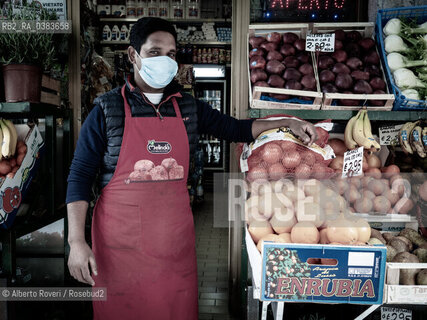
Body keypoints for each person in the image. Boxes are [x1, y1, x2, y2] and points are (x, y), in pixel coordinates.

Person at [66, 17, 318, 320]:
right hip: (119, 252)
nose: (165, 61)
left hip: (173, 247)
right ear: (133, 55)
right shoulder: (107, 110)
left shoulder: (188, 107)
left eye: (171, 54)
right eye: (154, 52)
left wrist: (286, 121)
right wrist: (76, 241)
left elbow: (236, 128)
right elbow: (79, 176)